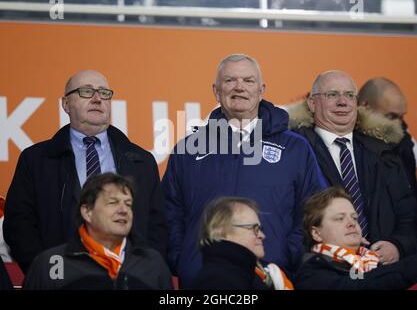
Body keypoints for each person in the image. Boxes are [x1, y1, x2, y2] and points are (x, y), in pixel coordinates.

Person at [162, 54, 326, 288]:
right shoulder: (188, 150)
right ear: (216, 91)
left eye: (248, 81)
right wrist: (183, 257)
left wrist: (287, 256)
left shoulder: (295, 148)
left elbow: (313, 211)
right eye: (230, 80)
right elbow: (169, 213)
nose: (239, 87)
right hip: (202, 279)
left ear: (261, 90)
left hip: (271, 277)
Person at [4, 70, 167, 273]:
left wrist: (143, 271)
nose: (98, 99)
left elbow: (158, 226)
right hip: (59, 279)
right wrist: (48, 271)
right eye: (86, 92)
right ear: (65, 104)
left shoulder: (141, 161)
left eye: (104, 93)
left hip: (128, 279)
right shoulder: (36, 160)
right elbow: (19, 225)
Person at [287, 70, 417, 265]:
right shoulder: (294, 151)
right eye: (332, 95)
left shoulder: (386, 152)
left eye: (349, 95)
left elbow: (409, 214)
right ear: (312, 103)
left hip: (385, 272)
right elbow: (288, 217)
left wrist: (398, 245)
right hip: (324, 271)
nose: (342, 102)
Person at [23, 173, 172, 290]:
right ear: (87, 212)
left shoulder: (153, 264)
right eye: (113, 203)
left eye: (128, 204)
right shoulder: (51, 264)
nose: (123, 210)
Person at [295, 187, 417, 290]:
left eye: (354, 218)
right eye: (339, 218)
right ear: (316, 233)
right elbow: (359, 285)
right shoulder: (312, 274)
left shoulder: (372, 262)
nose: (351, 223)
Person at [191, 196, 293, 290]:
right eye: (255, 228)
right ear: (222, 231)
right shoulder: (217, 281)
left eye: (261, 229)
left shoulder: (244, 273)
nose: (262, 235)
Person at [358, 77, 417, 195]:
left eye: (401, 117)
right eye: (391, 117)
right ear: (365, 107)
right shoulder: (346, 142)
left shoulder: (406, 137)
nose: (398, 125)